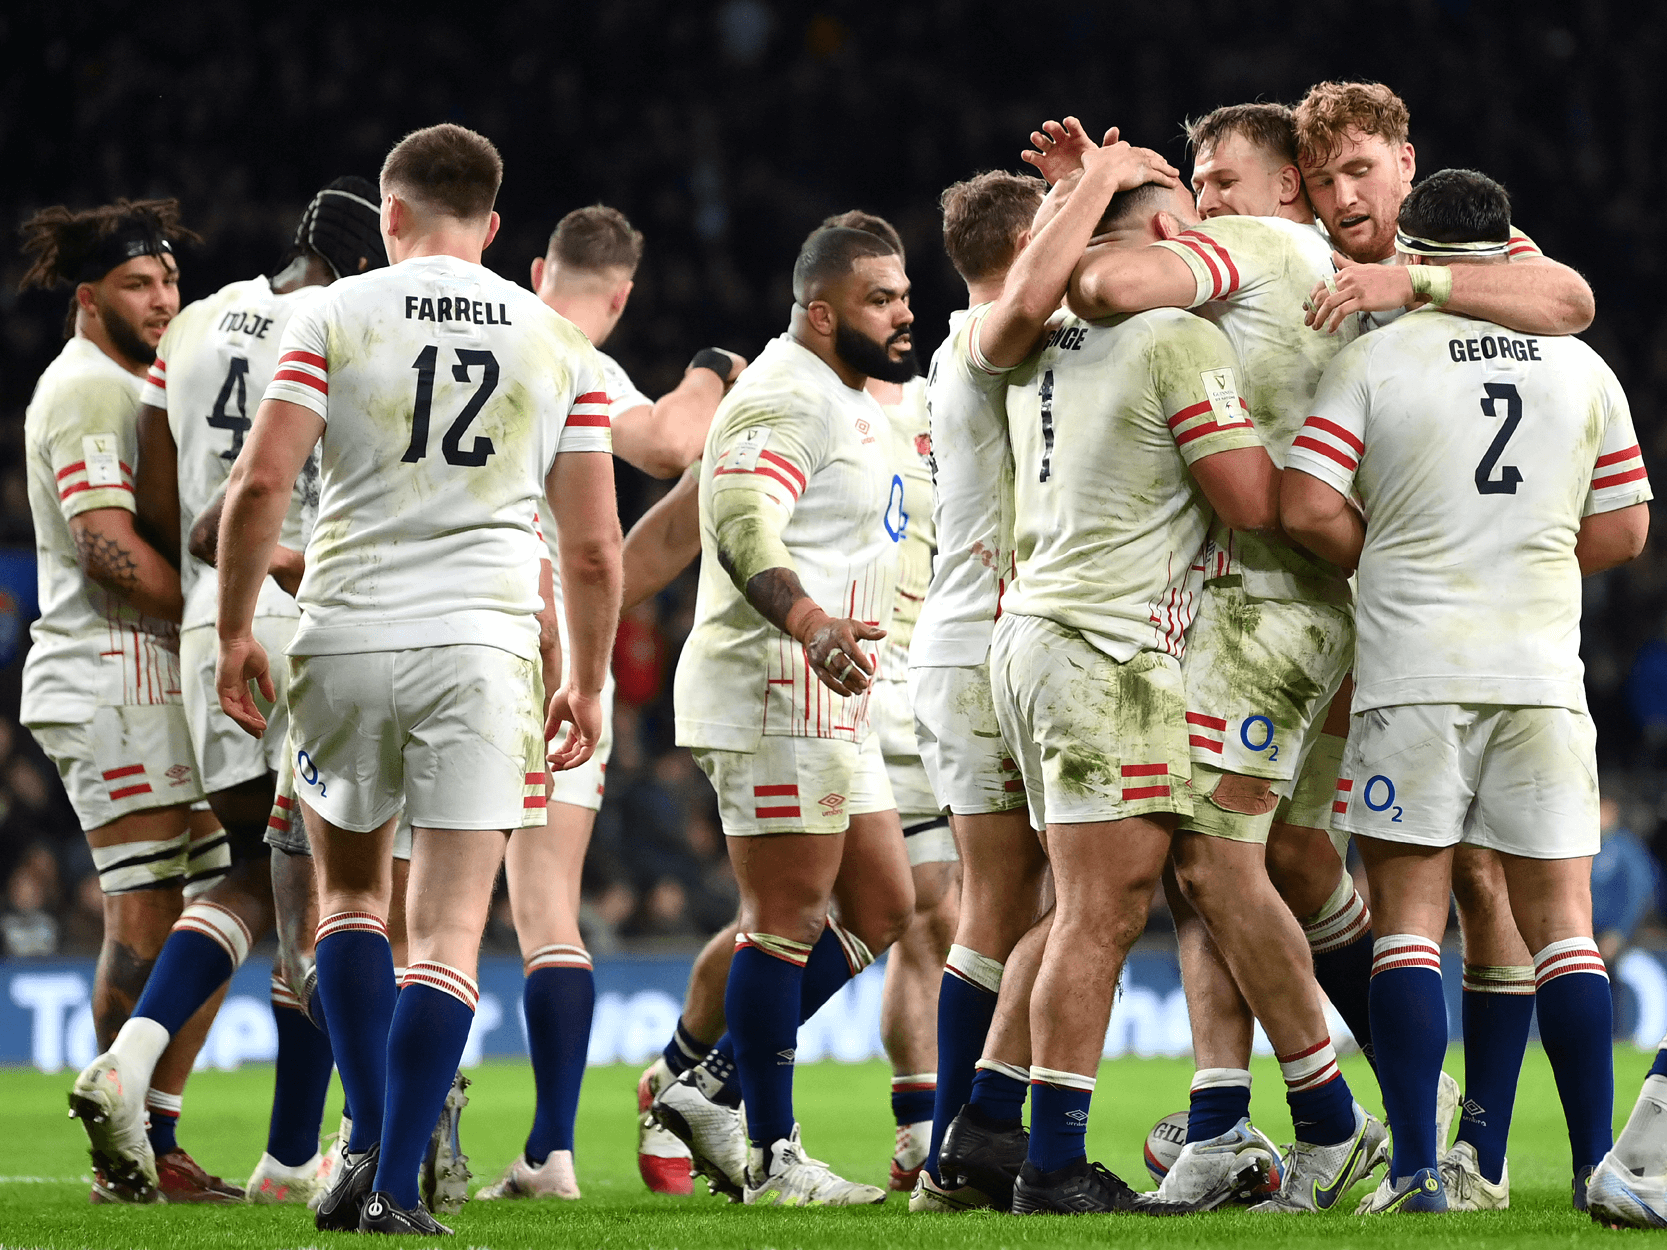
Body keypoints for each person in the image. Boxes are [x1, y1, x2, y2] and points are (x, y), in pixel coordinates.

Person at [215, 122, 622, 1235]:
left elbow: (259, 486)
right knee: (445, 930)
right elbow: (590, 548)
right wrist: (585, 678)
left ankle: (359, 1142)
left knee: (349, 901)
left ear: (387, 216)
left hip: (342, 635)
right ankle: (395, 1181)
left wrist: (233, 630)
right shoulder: (556, 343)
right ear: (494, 227)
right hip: (484, 647)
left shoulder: (330, 315)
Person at [1283, 167, 1649, 1213]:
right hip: (1537, 672)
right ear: (1507, 249)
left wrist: (1391, 554)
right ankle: (1593, 1169)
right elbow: (1623, 530)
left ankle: (1411, 1173)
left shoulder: (1374, 356)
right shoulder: (1583, 369)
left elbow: (1306, 505)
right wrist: (1515, 554)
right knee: (1563, 929)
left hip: (1413, 671)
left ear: (1414, 245)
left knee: (1406, 921)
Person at [86, 176, 386, 1209]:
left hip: (212, 618)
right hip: (305, 604)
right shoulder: (348, 321)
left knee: (260, 880)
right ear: (359, 260)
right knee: (335, 892)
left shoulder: (203, 317)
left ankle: (144, 1069)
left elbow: (171, 492)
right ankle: (317, 1145)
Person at [477, 203, 742, 1203]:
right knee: (549, 913)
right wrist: (715, 363)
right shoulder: (583, 364)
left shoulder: (486, 321)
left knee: (421, 916)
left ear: (535, 264)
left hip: (439, 632)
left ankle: (376, 1134)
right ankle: (550, 1148)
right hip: (549, 659)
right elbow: (675, 442)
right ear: (621, 295)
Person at [649, 224, 917, 1207]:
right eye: (880, 298)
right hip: (776, 679)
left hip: (834, 688)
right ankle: (770, 1154)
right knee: (784, 920)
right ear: (819, 310)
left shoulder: (847, 397)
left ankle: (710, 1082)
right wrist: (807, 621)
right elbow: (739, 522)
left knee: (885, 905)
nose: (903, 311)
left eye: (901, 293)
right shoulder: (777, 394)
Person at [19, 197, 238, 1203]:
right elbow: (106, 549)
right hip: (107, 668)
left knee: (210, 895)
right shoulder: (82, 390)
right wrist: (218, 609)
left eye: (169, 283)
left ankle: (154, 1133)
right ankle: (127, 1152)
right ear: (87, 297)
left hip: (149, 672)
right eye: (137, 286)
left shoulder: (139, 380)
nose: (161, 301)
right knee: (147, 893)